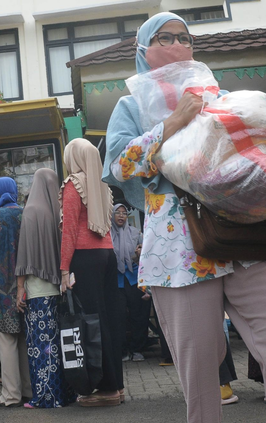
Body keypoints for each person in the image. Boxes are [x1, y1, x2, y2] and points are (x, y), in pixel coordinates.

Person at [103, 12, 266, 422]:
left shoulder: (218, 94)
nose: (177, 45)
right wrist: (173, 123)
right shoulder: (130, 105)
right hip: (178, 252)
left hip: (241, 235)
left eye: (184, 37)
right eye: (164, 37)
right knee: (199, 376)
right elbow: (118, 167)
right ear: (143, 50)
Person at [59, 138, 123, 407]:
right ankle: (115, 384)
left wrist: (64, 270)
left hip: (84, 258)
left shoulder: (74, 184)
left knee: (91, 322)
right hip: (108, 255)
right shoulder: (104, 185)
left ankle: (105, 388)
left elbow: (69, 231)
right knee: (106, 321)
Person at [15, 168, 75, 408]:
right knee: (57, 345)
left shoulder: (31, 211)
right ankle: (64, 394)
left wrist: (20, 287)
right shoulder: (58, 213)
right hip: (58, 289)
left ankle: (45, 397)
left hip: (38, 291)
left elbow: (25, 255)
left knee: (40, 346)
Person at [0, 177, 32, 407]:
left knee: (6, 340)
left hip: (1, 288)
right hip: (27, 285)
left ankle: (11, 395)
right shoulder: (26, 214)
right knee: (24, 338)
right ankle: (30, 389)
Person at [110, 204, 150, 362]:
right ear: (111, 215)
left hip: (134, 279)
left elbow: (146, 256)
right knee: (118, 317)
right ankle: (123, 351)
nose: (121, 216)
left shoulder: (135, 233)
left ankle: (138, 349)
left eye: (124, 213)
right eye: (117, 213)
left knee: (139, 315)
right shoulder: (107, 235)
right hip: (116, 281)